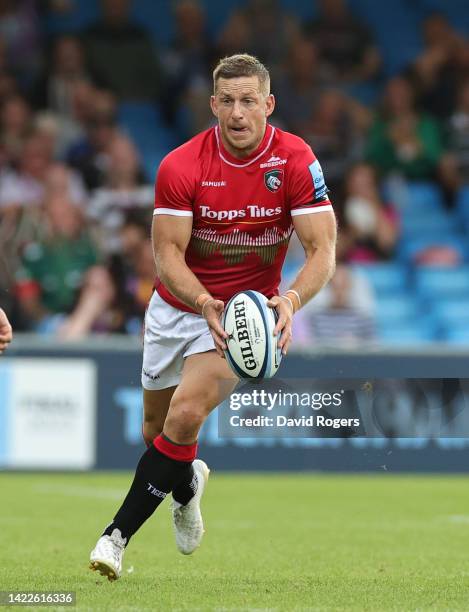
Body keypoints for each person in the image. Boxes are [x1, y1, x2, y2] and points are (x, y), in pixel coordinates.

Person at [89, 54, 337, 580]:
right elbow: (167, 257)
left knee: (183, 415)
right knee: (156, 431)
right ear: (212, 105)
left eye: (249, 101)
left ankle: (114, 538)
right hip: (179, 308)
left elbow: (323, 250)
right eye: (227, 101)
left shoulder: (295, 160)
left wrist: (288, 302)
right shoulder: (182, 165)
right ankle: (187, 485)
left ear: (269, 104)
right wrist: (203, 303)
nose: (238, 113)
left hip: (247, 316)